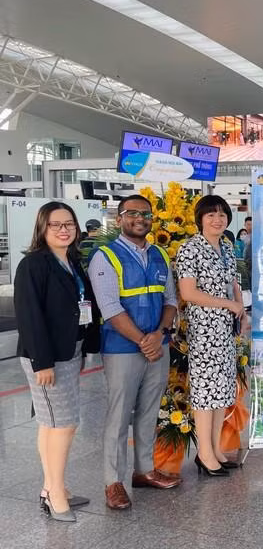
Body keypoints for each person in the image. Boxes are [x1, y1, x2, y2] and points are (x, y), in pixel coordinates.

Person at [88, 195, 180, 510]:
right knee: (119, 415)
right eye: (132, 213)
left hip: (158, 345)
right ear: (119, 219)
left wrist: (161, 334)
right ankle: (113, 482)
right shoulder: (105, 257)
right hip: (122, 349)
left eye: (145, 214)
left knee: (149, 411)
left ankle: (144, 471)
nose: (140, 218)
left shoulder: (160, 255)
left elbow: (170, 300)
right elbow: (110, 308)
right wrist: (145, 341)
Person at [15, 202, 100, 522]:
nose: (64, 230)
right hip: (47, 356)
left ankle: (52, 487)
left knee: (51, 423)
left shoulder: (72, 261)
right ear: (42, 228)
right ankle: (55, 495)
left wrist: (85, 347)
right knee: (64, 424)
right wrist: (43, 363)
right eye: (56, 225)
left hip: (69, 350)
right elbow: (29, 316)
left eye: (69, 224)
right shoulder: (33, 264)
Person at [176, 195, 245, 477]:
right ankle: (204, 453)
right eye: (211, 215)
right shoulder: (190, 248)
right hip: (205, 330)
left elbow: (233, 281)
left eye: (222, 215)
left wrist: (240, 306)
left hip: (226, 329)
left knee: (221, 390)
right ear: (200, 219)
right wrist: (228, 304)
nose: (217, 220)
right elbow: (188, 292)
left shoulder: (226, 246)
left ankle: (215, 448)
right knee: (206, 392)